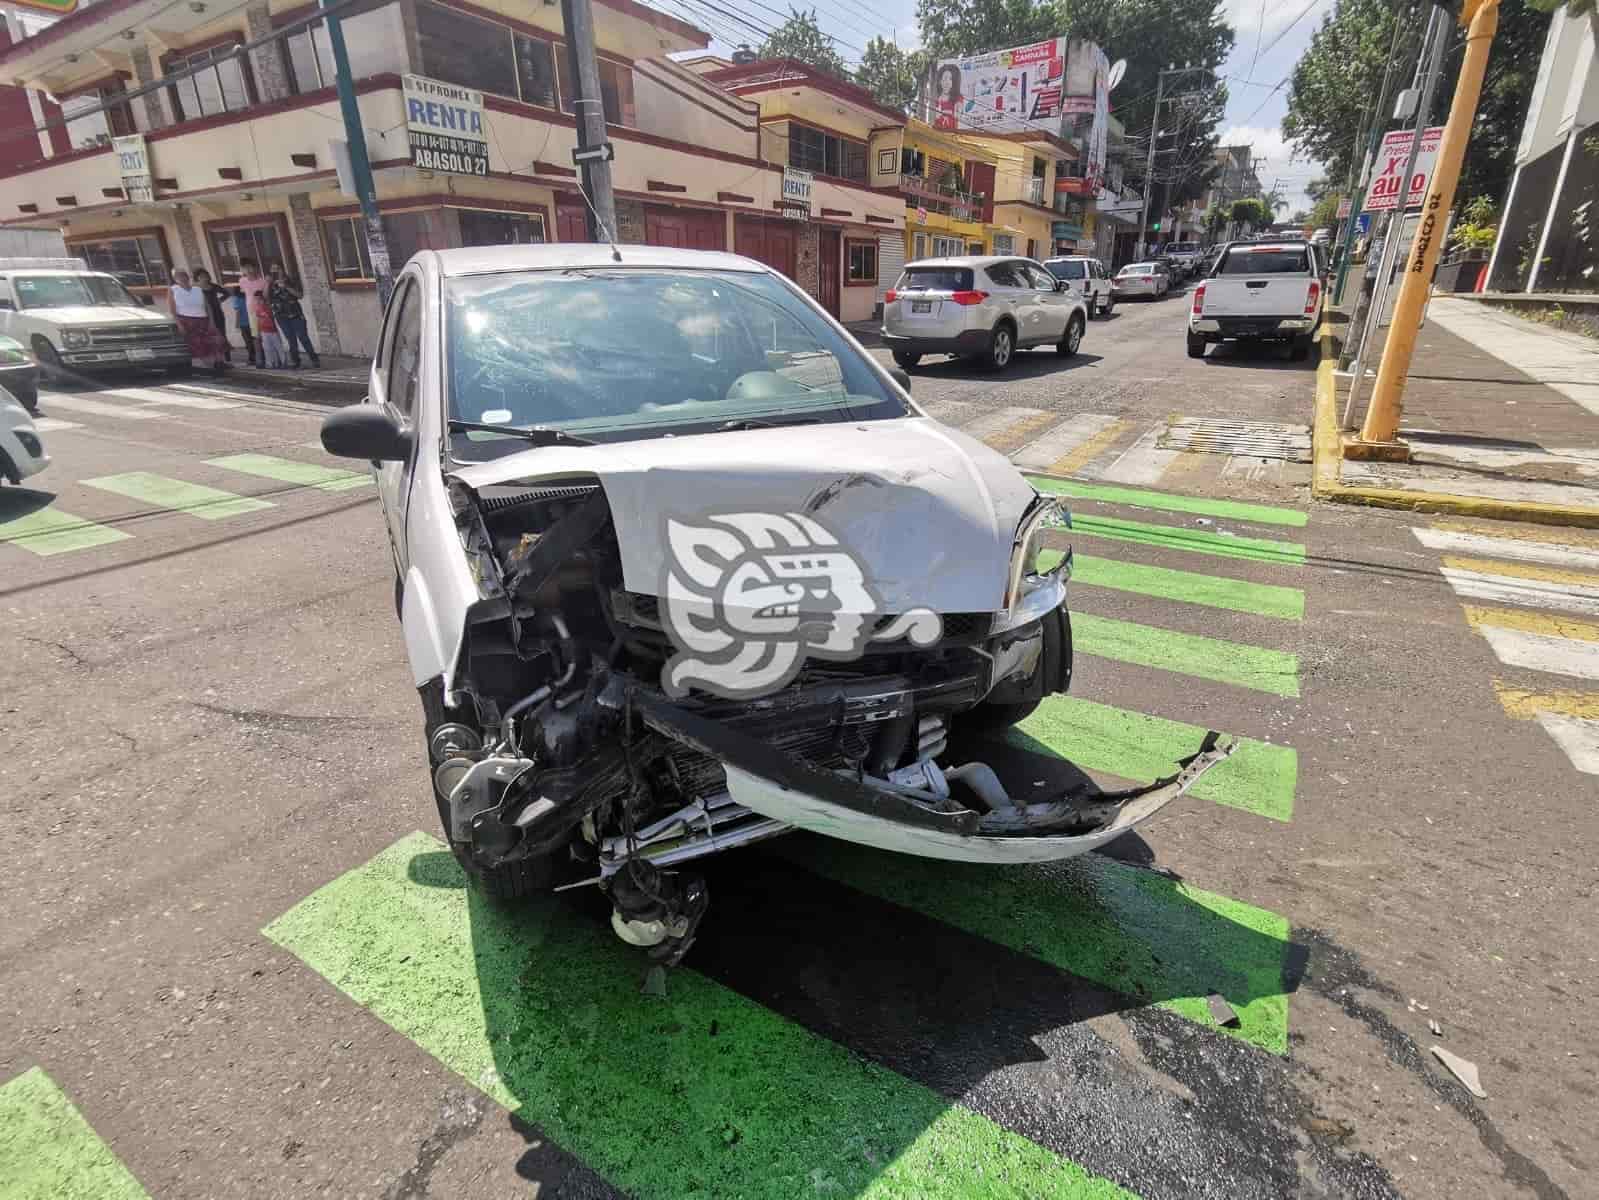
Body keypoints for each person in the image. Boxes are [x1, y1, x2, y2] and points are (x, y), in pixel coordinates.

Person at [169, 268, 227, 375]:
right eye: (179, 276)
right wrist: (179, 324)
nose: (182, 277)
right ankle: (208, 367)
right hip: (187, 320)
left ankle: (219, 362)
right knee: (198, 345)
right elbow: (172, 310)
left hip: (203, 318)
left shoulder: (197, 289)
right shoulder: (173, 290)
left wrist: (212, 321)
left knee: (215, 340)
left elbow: (207, 306)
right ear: (175, 278)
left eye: (184, 275)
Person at [268, 262, 321, 369]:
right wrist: (267, 284)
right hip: (281, 316)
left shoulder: (291, 280)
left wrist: (286, 286)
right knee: (291, 339)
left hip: (295, 313)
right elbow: (267, 298)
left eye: (277, 269)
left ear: (282, 269)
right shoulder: (271, 284)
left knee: (303, 337)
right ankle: (296, 361)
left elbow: (300, 295)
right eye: (272, 270)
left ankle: (314, 358)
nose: (275, 272)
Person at [236, 258, 269, 367]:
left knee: (267, 335)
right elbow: (243, 292)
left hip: (264, 312)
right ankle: (260, 359)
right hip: (251, 312)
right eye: (245, 268)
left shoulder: (262, 281)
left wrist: (268, 284)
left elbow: (266, 297)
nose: (248, 270)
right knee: (256, 336)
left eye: (250, 267)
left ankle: (270, 358)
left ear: (255, 268)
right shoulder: (242, 281)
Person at [192, 268, 231, 363]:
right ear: (197, 278)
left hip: (217, 312)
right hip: (205, 314)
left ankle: (227, 356)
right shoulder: (196, 289)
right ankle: (215, 356)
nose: (204, 278)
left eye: (205, 276)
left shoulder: (213, 286)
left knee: (222, 334)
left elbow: (227, 293)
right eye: (201, 277)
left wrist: (220, 300)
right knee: (211, 337)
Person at [253, 292, 287, 368]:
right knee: (267, 348)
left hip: (273, 330)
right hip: (264, 331)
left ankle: (283, 362)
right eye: (256, 299)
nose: (258, 301)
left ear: (263, 299)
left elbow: (272, 319)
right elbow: (258, 321)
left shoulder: (269, 307)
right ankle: (270, 364)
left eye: (259, 299)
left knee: (278, 346)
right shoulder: (257, 309)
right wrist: (258, 332)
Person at [229, 282, 255, 366]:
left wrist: (236, 324)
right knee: (254, 340)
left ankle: (252, 359)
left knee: (248, 342)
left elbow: (238, 312)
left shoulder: (236, 299)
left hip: (244, 323)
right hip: (252, 321)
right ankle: (259, 356)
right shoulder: (246, 297)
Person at [932, 64, 961, 131]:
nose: (947, 82)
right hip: (938, 133)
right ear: (940, 81)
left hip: (953, 134)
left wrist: (945, 112)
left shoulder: (958, 98)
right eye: (945, 78)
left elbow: (958, 115)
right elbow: (936, 118)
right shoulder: (937, 99)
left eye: (950, 79)